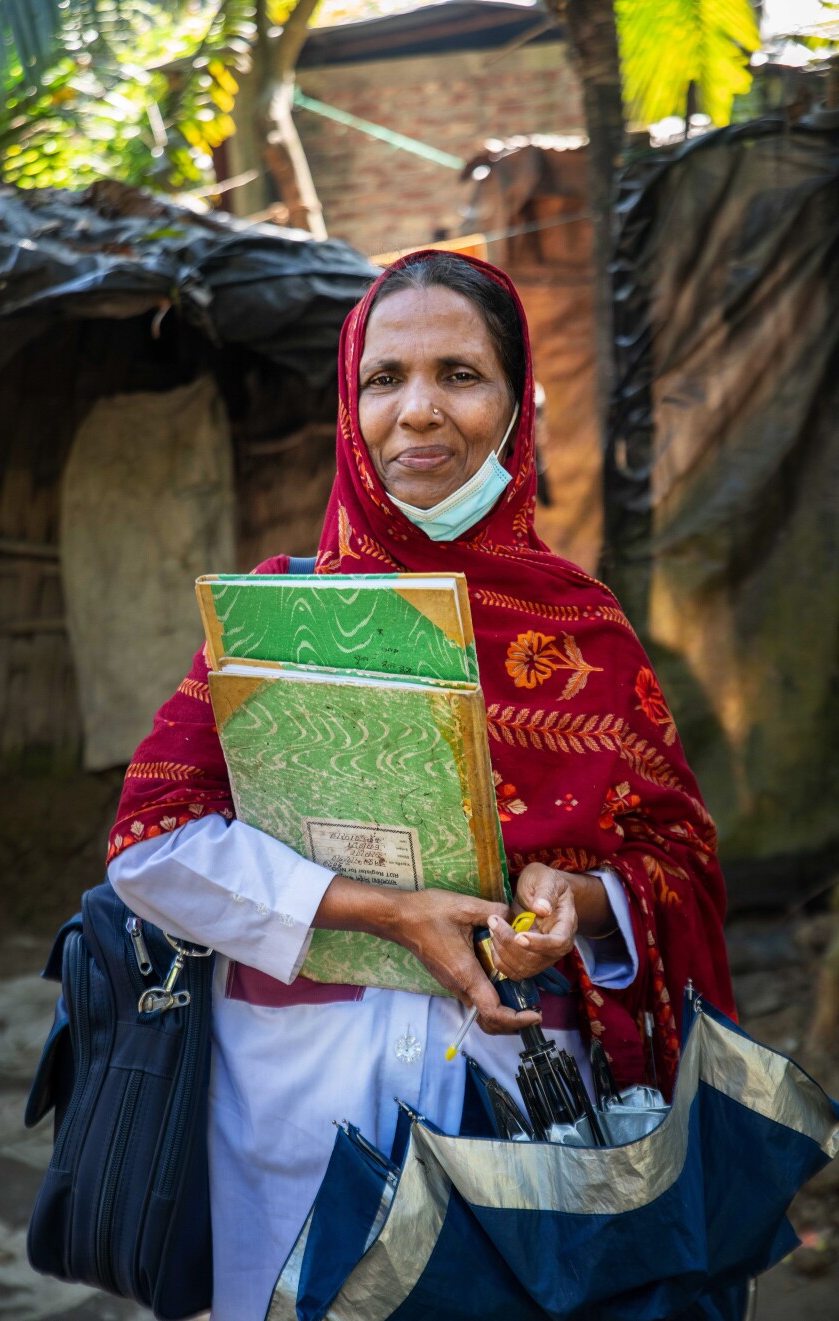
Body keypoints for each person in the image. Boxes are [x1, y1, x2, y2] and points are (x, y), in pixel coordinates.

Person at [108, 250, 735, 1321]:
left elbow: (674, 854)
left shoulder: (583, 632)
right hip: (293, 1106)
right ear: (350, 407)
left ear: (513, 403)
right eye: (384, 377)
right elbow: (151, 846)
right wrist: (387, 914)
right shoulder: (273, 623)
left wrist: (571, 902)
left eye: (459, 373)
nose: (417, 412)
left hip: (516, 1107)